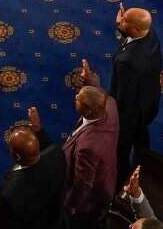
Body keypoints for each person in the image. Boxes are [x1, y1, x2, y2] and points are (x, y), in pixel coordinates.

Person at [101, 4, 162, 183]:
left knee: (122, 146)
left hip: (130, 112)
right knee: (141, 133)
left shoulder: (127, 63)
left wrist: (112, 114)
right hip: (149, 101)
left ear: (135, 29)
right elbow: (130, 39)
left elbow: (123, 97)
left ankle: (122, 179)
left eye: (125, 20)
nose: (120, 20)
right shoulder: (150, 34)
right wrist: (122, 27)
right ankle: (143, 156)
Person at [59, 80, 120, 225]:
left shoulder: (88, 147)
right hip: (107, 169)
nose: (75, 97)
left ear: (88, 111)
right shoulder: (109, 104)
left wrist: (70, 205)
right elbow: (100, 96)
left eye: (78, 99)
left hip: (93, 198)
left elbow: (83, 184)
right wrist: (91, 82)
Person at [0, 109, 67, 229]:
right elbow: (49, 146)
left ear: (16, 156)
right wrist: (38, 129)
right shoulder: (56, 155)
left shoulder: (9, 192)